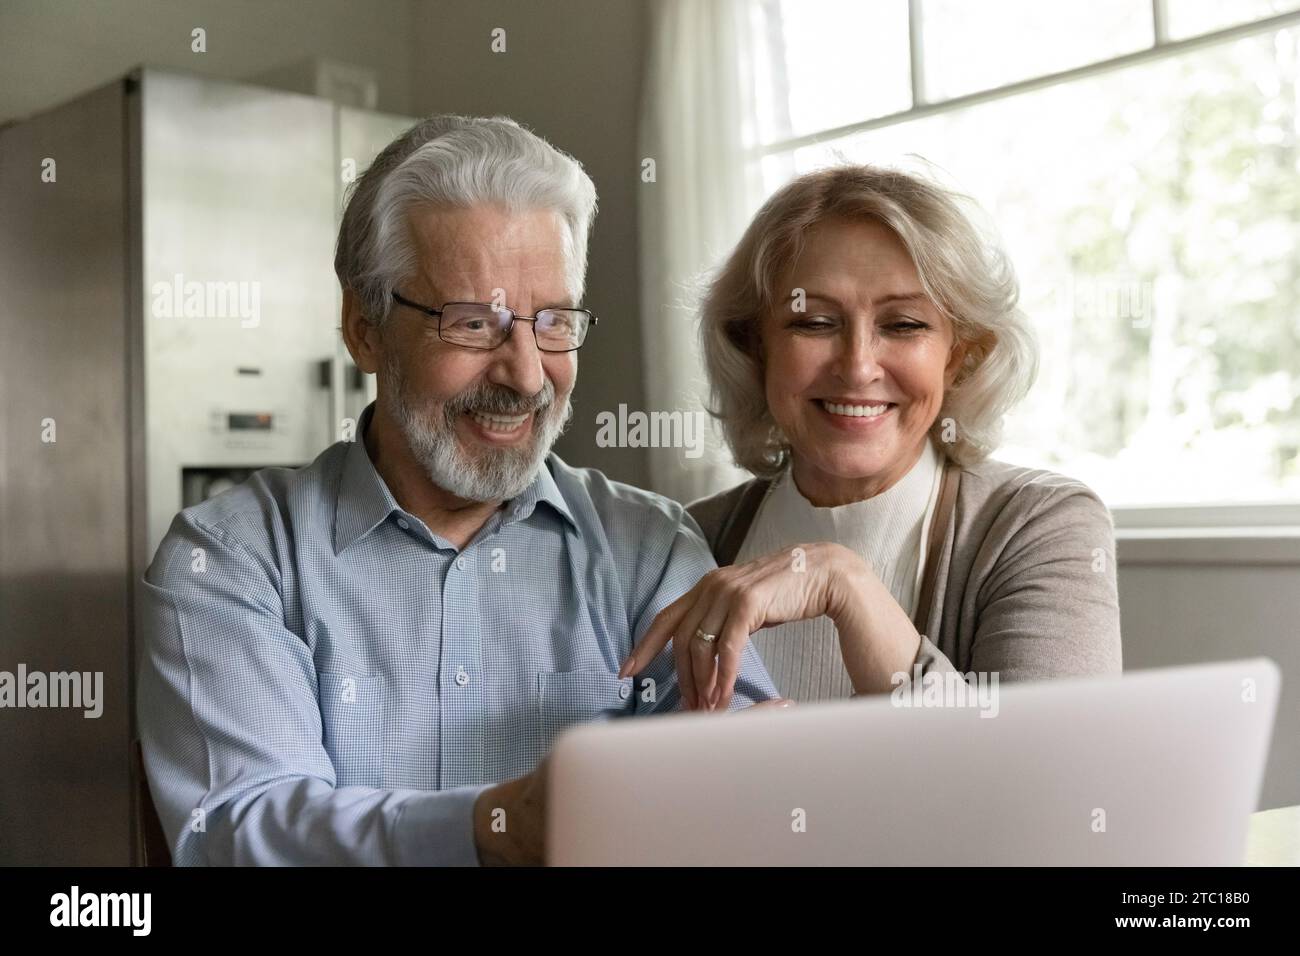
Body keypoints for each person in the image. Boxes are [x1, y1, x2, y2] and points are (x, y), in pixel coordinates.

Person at [137, 114, 779, 867]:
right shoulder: (233, 558)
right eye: (476, 324)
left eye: (554, 323)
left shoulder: (651, 549)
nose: (527, 375)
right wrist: (495, 825)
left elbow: (749, 791)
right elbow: (240, 834)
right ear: (365, 328)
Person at [622, 165, 1121, 709]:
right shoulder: (688, 539)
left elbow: (1050, 778)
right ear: (754, 347)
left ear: (958, 357)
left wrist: (845, 582)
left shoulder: (1037, 526)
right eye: (813, 322)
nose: (858, 368)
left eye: (904, 325)